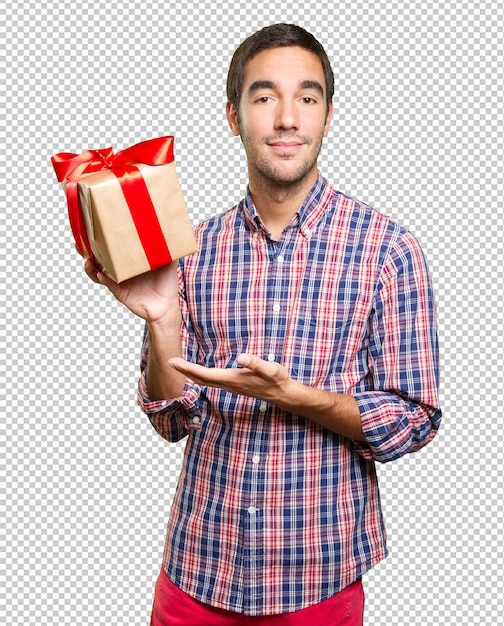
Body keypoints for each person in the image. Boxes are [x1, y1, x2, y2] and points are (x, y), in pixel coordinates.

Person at [86, 23, 442, 625]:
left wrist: (295, 398)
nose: (286, 118)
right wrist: (163, 319)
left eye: (307, 98)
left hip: (319, 584)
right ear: (233, 115)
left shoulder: (388, 249)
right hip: (196, 575)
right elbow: (173, 420)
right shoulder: (192, 247)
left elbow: (415, 420)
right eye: (263, 96)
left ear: (328, 115)